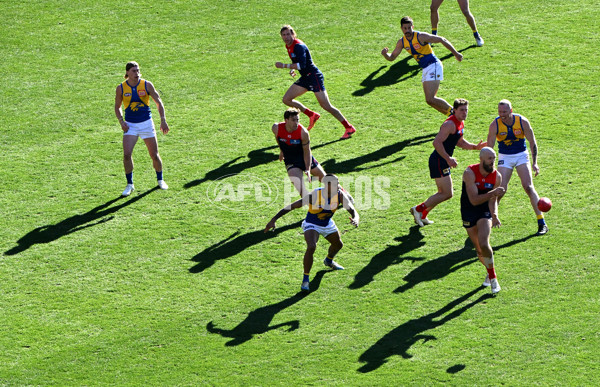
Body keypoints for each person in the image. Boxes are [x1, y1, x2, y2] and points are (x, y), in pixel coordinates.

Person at [265, 174, 359, 291]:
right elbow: (293, 206)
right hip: (312, 224)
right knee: (311, 247)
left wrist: (356, 218)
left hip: (327, 223)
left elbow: (352, 209)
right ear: (326, 185)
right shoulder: (315, 195)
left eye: (337, 182)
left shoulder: (340, 195)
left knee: (338, 245)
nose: (337, 185)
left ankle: (328, 261)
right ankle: (305, 279)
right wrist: (273, 220)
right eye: (334, 184)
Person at [411, 98, 486, 226]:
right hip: (439, 161)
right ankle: (418, 209)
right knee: (446, 193)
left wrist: (475, 147)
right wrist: (448, 159)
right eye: (461, 110)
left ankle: (422, 214)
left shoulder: (460, 123)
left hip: (442, 160)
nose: (464, 113)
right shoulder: (449, 124)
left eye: (466, 110)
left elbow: (459, 141)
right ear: (454, 110)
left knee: (444, 193)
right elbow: (436, 142)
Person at [276, 25, 357, 139]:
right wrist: (292, 68)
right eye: (284, 35)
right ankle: (311, 115)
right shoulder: (288, 46)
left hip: (314, 78)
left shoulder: (298, 46)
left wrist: (284, 66)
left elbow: (302, 65)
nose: (286, 37)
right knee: (287, 99)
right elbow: (297, 61)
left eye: (288, 34)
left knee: (326, 105)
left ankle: (349, 127)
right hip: (305, 78)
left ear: (293, 34)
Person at [486, 100, 548, 235]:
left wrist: (534, 162)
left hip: (521, 155)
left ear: (511, 110)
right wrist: (487, 166)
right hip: (505, 157)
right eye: (499, 112)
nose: (501, 114)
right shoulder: (495, 125)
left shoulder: (522, 121)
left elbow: (532, 142)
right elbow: (489, 148)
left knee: (529, 187)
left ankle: (541, 222)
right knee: (500, 190)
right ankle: (489, 219)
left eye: (504, 112)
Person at [381, 16, 463, 116]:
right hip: (425, 69)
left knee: (431, 98)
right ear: (401, 28)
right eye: (405, 28)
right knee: (429, 101)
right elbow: (392, 57)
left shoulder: (421, 36)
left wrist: (456, 53)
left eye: (409, 28)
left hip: (434, 65)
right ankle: (452, 116)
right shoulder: (401, 42)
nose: (407, 31)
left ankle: (454, 113)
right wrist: (385, 54)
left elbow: (442, 39)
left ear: (413, 26)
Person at [114, 61, 169, 197]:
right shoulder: (121, 88)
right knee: (127, 154)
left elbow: (158, 102)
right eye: (133, 71)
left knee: (154, 155)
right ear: (127, 73)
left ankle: (160, 179)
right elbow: (117, 106)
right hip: (130, 125)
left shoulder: (146, 84)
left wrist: (163, 120)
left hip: (146, 124)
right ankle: (130, 184)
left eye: (138, 70)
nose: (137, 73)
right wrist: (121, 122)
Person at [461, 147, 505, 294]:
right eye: (489, 158)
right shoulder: (470, 173)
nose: (493, 161)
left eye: (494, 158)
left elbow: (492, 201)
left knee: (484, 243)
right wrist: (493, 193)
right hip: (469, 210)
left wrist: (494, 214)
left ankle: (493, 279)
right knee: (479, 249)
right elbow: (473, 200)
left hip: (484, 210)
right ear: (481, 159)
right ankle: (489, 271)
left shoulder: (496, 176)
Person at [272, 108, 326, 197]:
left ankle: (344, 196)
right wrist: (281, 151)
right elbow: (279, 139)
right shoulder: (276, 128)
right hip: (291, 161)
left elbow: (307, 151)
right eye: (293, 120)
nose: (296, 123)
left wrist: (308, 169)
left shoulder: (303, 132)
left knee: (328, 181)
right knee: (302, 192)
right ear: (286, 120)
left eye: (297, 120)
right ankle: (315, 209)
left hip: (304, 158)